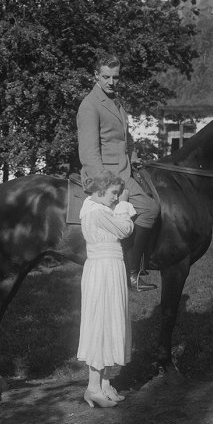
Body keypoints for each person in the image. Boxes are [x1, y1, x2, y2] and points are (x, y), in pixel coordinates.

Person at [77, 53, 160, 292]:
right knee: (149, 209)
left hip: (124, 169)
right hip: (107, 175)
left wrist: (134, 160)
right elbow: (89, 154)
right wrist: (109, 188)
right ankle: (132, 274)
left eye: (115, 77)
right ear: (95, 75)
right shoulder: (90, 105)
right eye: (106, 76)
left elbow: (124, 140)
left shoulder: (116, 101)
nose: (111, 82)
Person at [77, 170, 136, 408]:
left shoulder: (99, 208)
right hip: (102, 272)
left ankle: (104, 383)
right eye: (113, 193)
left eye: (118, 194)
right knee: (100, 324)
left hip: (111, 269)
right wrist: (124, 204)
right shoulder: (97, 211)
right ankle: (92, 388)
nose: (116, 197)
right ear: (100, 191)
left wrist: (119, 202)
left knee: (111, 322)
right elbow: (125, 230)